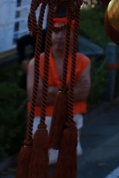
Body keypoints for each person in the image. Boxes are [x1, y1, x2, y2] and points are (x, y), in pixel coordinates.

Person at [24, 20, 91, 163]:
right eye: (56, 32)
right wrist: (70, 92)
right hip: (42, 122)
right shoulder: (36, 62)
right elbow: (36, 98)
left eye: (65, 32)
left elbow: (83, 93)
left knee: (66, 163)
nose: (59, 36)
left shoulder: (83, 61)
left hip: (70, 121)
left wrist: (52, 90)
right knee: (40, 163)